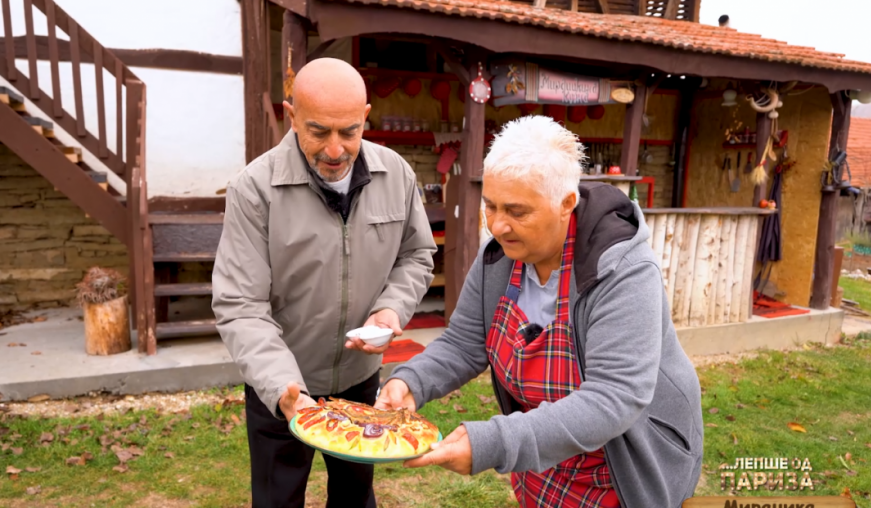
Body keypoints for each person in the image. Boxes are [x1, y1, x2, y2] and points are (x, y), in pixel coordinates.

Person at [377, 116, 703, 508]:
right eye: (491, 206)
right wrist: (411, 382)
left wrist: (495, 441)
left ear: (566, 204)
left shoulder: (622, 268)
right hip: (543, 451)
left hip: (623, 466)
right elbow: (465, 343)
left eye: (517, 211)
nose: (498, 225)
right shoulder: (498, 258)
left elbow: (613, 398)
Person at [212, 57, 436, 508]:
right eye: (318, 131)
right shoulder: (253, 189)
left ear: (365, 117)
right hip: (282, 386)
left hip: (359, 381)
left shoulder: (398, 175)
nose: (335, 150)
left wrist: (392, 308)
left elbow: (416, 254)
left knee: (356, 498)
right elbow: (240, 304)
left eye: (349, 131)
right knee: (278, 500)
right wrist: (282, 389)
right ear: (290, 115)